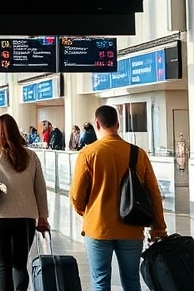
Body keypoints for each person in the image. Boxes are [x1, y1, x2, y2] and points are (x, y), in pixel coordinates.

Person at [71, 105, 167, 291]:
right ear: (118, 124)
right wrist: (159, 226)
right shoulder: (138, 154)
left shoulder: (88, 154)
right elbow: (154, 193)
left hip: (98, 228)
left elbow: (76, 195)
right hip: (131, 228)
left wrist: (87, 213)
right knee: (132, 282)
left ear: (97, 124)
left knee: (100, 282)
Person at [0, 114, 49, 291]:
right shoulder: (31, 156)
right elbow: (40, 189)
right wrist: (43, 217)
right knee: (20, 265)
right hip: (26, 218)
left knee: (3, 266)